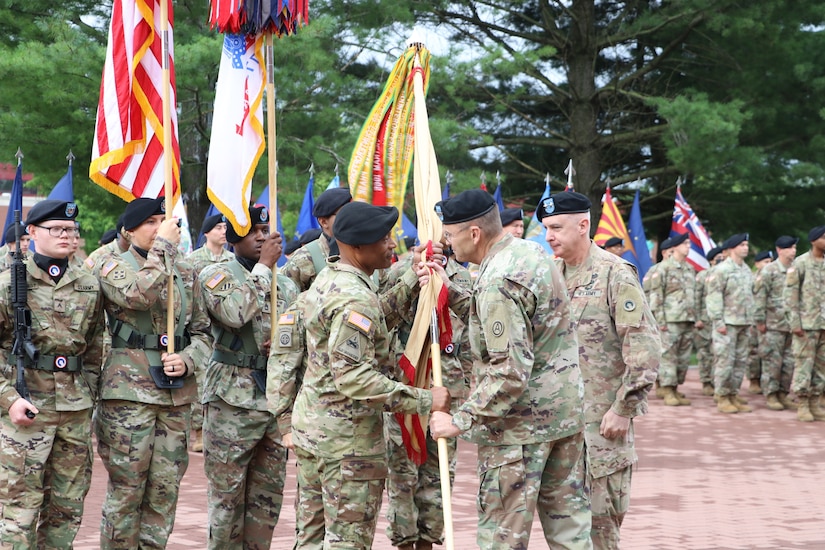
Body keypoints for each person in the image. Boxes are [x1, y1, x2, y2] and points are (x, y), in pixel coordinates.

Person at [428, 189, 591, 550]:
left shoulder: (497, 281)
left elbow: (509, 370)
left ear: (474, 234)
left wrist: (460, 419)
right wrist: (448, 288)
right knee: (571, 533)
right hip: (562, 417)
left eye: (451, 236)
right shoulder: (527, 251)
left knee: (503, 536)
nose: (448, 245)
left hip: (519, 431)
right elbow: (515, 316)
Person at [289, 201, 451, 549]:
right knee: (347, 542)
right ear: (358, 247)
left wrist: (411, 277)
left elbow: (374, 322)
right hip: (348, 445)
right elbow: (354, 378)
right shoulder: (354, 298)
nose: (393, 244)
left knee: (311, 538)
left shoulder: (330, 280)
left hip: (316, 434)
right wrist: (425, 399)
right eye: (384, 239)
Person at [538, 191, 659, 550]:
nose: (549, 236)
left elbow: (645, 349)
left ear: (583, 224)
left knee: (600, 531)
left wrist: (623, 409)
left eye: (557, 227)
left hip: (601, 429)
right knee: (564, 531)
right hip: (559, 428)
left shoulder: (614, 274)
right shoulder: (551, 274)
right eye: (546, 228)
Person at [93, 197, 211, 549]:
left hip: (175, 397)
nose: (160, 227)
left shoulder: (186, 272)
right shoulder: (112, 265)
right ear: (128, 231)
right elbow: (137, 296)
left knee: (164, 493)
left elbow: (204, 333)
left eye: (164, 220)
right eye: (150, 222)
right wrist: (162, 248)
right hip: (129, 396)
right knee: (127, 492)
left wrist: (188, 360)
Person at [0, 200, 104, 548]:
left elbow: (93, 346)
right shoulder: (9, 284)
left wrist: (87, 391)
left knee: (66, 510)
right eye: (56, 229)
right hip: (26, 411)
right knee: (19, 513)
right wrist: (10, 399)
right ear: (31, 233)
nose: (66, 235)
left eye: (71, 230)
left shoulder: (88, 285)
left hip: (74, 413)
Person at [198, 204, 299, 549]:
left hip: (272, 400)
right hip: (232, 400)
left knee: (266, 503)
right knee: (227, 502)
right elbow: (234, 313)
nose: (261, 236)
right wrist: (263, 267)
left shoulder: (284, 284)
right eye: (253, 230)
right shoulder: (216, 275)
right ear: (232, 236)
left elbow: (295, 332)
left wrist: (282, 344)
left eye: (264, 229)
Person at [383, 245, 473, 550]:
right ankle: (405, 542)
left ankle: (429, 541)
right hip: (406, 385)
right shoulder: (399, 273)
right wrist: (412, 276)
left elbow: (475, 332)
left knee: (439, 476)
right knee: (402, 474)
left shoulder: (461, 277)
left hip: (448, 388)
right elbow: (381, 319)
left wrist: (468, 380)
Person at [186, 213, 233, 453]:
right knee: (200, 380)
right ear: (206, 232)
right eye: (217, 227)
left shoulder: (231, 260)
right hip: (203, 328)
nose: (223, 231)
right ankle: (198, 431)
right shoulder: (193, 260)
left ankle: (218, 429)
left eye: (225, 227)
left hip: (225, 329)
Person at [706, 233, 756, 414]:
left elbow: (750, 296)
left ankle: (733, 394)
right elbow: (713, 297)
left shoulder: (746, 270)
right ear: (733, 248)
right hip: (727, 323)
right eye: (742, 245)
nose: (746, 248)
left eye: (746, 245)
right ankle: (722, 396)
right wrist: (718, 321)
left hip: (743, 322)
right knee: (725, 361)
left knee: (740, 362)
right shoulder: (721, 270)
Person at [645, 232, 695, 406]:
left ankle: (675, 388)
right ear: (675, 248)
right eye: (685, 244)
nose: (688, 246)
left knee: (683, 357)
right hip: (670, 319)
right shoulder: (663, 268)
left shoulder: (689, 269)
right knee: (668, 356)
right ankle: (667, 389)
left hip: (687, 318)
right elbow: (656, 296)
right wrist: (659, 321)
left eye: (689, 243)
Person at [784, 225, 825, 422]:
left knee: (821, 366)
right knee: (804, 365)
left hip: (823, 325)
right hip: (806, 325)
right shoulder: (800, 263)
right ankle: (802, 403)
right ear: (814, 240)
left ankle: (815, 403)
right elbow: (790, 295)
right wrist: (795, 323)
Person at [754, 236, 798, 411]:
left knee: (789, 362)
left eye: (794, 248)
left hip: (792, 324)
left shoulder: (796, 270)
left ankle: (783, 393)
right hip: (772, 325)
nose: (793, 251)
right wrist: (760, 321)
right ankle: (771, 395)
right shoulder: (769, 271)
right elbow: (760, 297)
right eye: (789, 248)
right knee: (773, 361)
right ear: (779, 250)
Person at [281, 187, 351, 291]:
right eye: (345, 214)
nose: (353, 218)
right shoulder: (304, 258)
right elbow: (286, 299)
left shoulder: (370, 251)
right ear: (324, 222)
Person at [695, 246, 725, 396]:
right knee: (705, 353)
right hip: (705, 320)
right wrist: (697, 318)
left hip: (722, 319)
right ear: (712, 260)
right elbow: (696, 297)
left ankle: (718, 382)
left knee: (719, 353)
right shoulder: (702, 276)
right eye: (718, 256)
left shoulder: (725, 273)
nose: (722, 258)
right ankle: (707, 381)